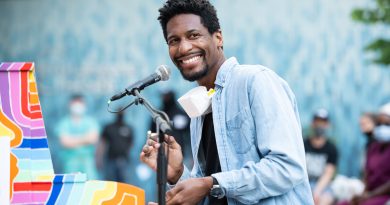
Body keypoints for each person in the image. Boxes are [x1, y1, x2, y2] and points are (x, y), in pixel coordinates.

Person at [140, 0, 314, 204]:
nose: (184, 47)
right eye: (174, 40)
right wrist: (177, 173)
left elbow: (287, 168)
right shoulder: (200, 107)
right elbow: (210, 189)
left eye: (194, 35)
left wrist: (211, 183)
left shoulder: (256, 81)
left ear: (218, 38)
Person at [338, 103, 390, 205]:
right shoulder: (373, 148)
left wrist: (370, 195)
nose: (382, 128)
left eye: (387, 124)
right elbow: (367, 175)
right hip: (369, 193)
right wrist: (362, 195)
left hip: (383, 195)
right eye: (379, 124)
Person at [56, 94, 99, 179]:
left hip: (87, 162)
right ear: (70, 104)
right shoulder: (64, 123)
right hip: (69, 162)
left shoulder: (90, 121)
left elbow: (93, 139)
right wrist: (85, 139)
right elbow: (64, 142)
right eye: (76, 103)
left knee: (90, 186)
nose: (78, 106)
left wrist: (73, 140)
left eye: (80, 103)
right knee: (71, 187)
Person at [304, 109, 338, 205]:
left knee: (324, 200)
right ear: (312, 123)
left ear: (327, 125)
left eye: (323, 122)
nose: (320, 125)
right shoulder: (303, 145)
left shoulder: (331, 148)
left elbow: (328, 173)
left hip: (323, 186)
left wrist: (317, 191)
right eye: (317, 122)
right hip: (305, 184)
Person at [149, 90, 192, 167]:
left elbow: (190, 133)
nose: (165, 98)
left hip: (181, 154)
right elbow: (152, 132)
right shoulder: (158, 116)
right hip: (161, 154)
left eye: (167, 96)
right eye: (163, 96)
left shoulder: (180, 113)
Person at [96, 111, 134, 182]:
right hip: (110, 160)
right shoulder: (109, 127)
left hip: (123, 160)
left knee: (124, 183)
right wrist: (99, 159)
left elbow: (131, 144)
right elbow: (102, 144)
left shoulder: (128, 128)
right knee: (110, 182)